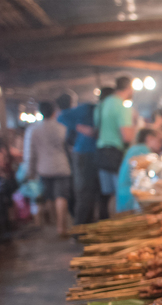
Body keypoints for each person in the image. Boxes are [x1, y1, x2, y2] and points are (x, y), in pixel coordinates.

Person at [57, 90, 105, 226]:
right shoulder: (87, 108)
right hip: (84, 154)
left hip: (92, 154)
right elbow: (61, 118)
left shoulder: (95, 109)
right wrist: (81, 128)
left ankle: (90, 225)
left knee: (95, 192)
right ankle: (80, 230)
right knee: (85, 192)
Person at [27, 101, 72, 236]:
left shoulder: (34, 130)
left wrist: (31, 171)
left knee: (50, 197)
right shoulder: (61, 128)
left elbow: (31, 153)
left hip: (44, 168)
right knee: (61, 196)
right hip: (61, 166)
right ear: (54, 111)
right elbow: (69, 148)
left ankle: (53, 222)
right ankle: (61, 226)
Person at [95, 76, 135, 218]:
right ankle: (118, 224)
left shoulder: (103, 104)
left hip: (100, 152)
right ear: (129, 88)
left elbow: (97, 128)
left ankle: (109, 224)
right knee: (120, 191)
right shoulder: (121, 105)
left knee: (109, 193)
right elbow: (127, 136)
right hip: (115, 154)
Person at [116, 128, 162, 213]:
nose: (161, 144)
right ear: (149, 138)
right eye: (159, 140)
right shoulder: (143, 150)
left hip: (124, 193)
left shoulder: (135, 148)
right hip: (131, 195)